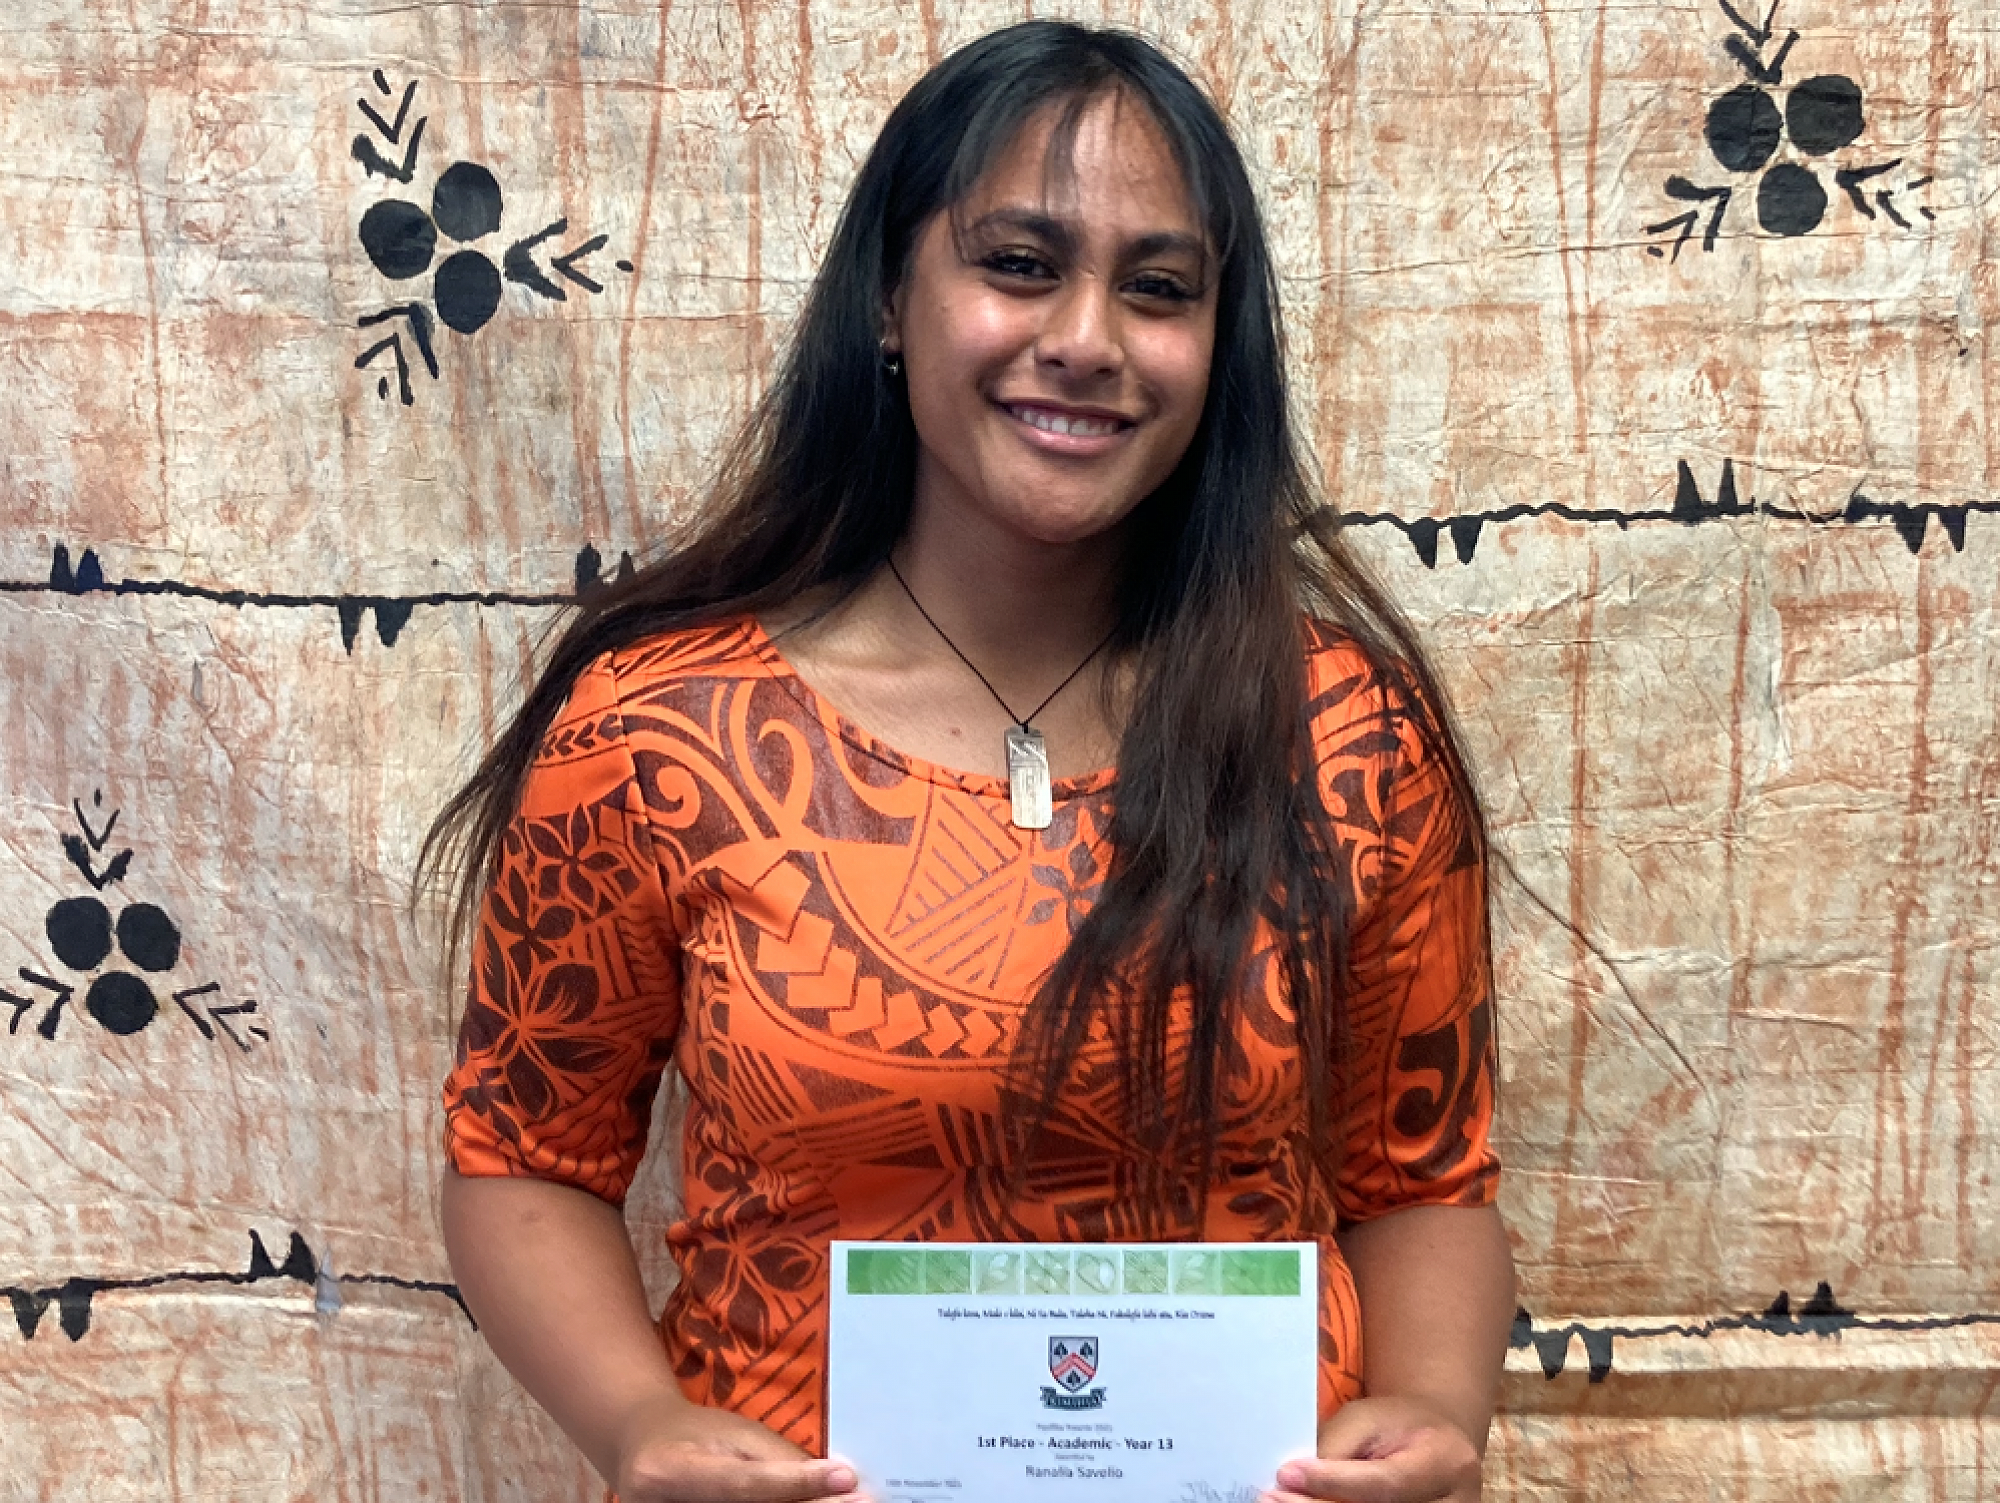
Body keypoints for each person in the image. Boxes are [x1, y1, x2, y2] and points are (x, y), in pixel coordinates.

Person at [427, 20, 1513, 1503]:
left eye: (1159, 288)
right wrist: (635, 1423)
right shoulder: (658, 731)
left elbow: (1425, 1176)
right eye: (1018, 263)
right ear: (890, 297)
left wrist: (1437, 1409)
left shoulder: (1346, 734)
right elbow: (525, 1154)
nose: (1088, 338)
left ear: (1219, 344)